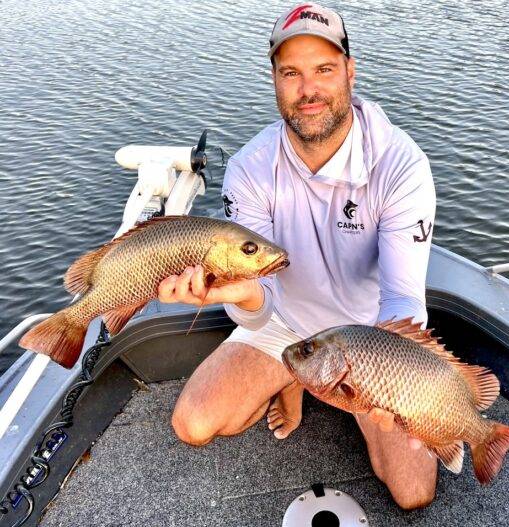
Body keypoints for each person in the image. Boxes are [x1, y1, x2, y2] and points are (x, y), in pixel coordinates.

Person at [158, 3, 437, 510]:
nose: (308, 90)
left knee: (413, 491)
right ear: (274, 80)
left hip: (372, 336)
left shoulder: (401, 165)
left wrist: (386, 382)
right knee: (193, 423)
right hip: (286, 323)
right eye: (291, 73)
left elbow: (402, 297)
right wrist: (243, 296)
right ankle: (296, 375)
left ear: (351, 72)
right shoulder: (250, 168)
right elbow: (258, 299)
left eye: (324, 70)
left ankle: (315, 383)